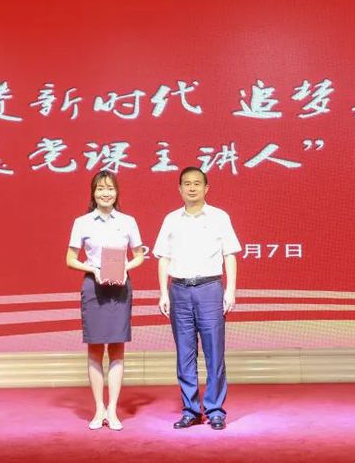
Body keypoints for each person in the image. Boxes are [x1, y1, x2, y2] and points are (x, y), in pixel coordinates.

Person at [153, 166, 240, 431]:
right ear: (179, 189)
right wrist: (163, 292)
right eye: (187, 184)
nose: (192, 188)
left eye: (197, 183)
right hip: (179, 290)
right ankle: (190, 410)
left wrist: (230, 290)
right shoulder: (171, 219)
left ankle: (215, 410)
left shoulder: (219, 217)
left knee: (214, 353)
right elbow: (163, 258)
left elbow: (229, 255)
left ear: (206, 188)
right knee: (185, 354)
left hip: (210, 289)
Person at [66, 171, 144, 431]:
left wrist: (124, 268)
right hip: (94, 287)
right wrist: (93, 269)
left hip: (120, 287)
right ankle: (99, 408)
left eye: (110, 188)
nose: (105, 193)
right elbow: (70, 259)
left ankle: (113, 409)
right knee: (95, 350)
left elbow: (139, 255)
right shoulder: (82, 222)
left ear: (117, 192)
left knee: (117, 350)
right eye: (100, 188)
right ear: (93, 192)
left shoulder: (128, 221)